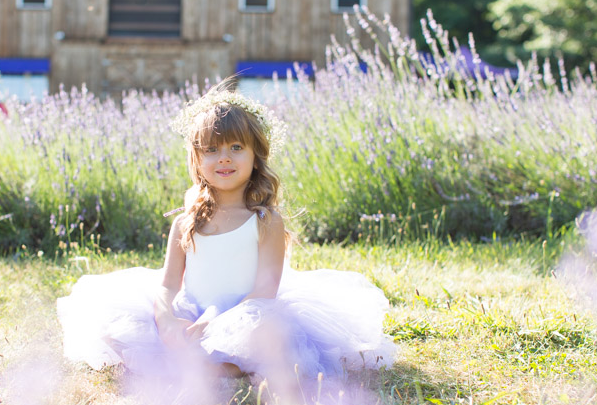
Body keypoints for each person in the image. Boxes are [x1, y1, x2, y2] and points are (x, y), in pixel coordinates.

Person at [57, 84, 394, 383]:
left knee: (267, 337)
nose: (224, 159)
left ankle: (220, 365)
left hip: (247, 313)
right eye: (212, 150)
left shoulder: (265, 221)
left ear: (255, 156)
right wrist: (167, 319)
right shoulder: (186, 223)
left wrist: (214, 323)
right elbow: (167, 286)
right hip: (194, 311)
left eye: (236, 148)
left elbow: (264, 290)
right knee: (115, 322)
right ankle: (193, 360)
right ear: (197, 159)